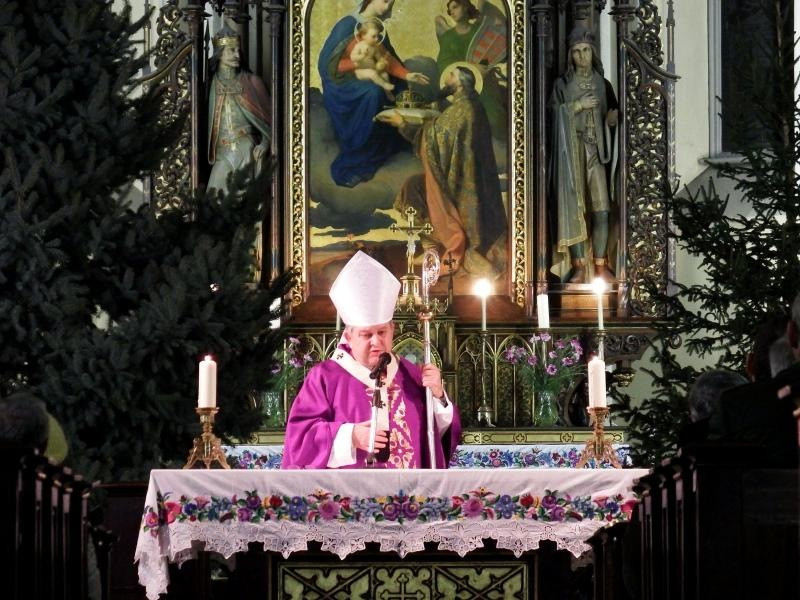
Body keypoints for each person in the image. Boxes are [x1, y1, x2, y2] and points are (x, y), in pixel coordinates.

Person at [282, 251, 460, 469]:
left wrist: (439, 396)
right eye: (366, 334)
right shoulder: (325, 377)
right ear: (349, 336)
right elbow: (299, 439)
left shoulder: (411, 374)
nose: (376, 342)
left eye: (382, 332)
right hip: (351, 489)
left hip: (410, 489)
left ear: (393, 330)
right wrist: (349, 435)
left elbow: (438, 440)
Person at [381, 65, 506, 280]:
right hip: (455, 175)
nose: (446, 78)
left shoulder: (466, 108)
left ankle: (448, 250)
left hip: (462, 183)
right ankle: (431, 249)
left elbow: (436, 136)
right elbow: (440, 132)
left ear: (460, 83)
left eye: (451, 76)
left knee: (414, 189)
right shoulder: (463, 106)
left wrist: (403, 124)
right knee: (413, 187)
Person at [318, 0, 430, 187]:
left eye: (391, 4)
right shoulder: (346, 25)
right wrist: (358, 64)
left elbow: (388, 60)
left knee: (393, 89)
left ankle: (383, 147)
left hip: (369, 78)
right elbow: (326, 66)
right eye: (385, 1)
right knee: (373, 92)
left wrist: (408, 75)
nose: (387, 8)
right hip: (343, 84)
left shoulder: (377, 31)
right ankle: (359, 155)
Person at [549, 26, 618, 283]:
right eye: (576, 51)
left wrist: (611, 122)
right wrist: (578, 105)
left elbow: (613, 114)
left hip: (597, 151)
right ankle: (578, 266)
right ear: (570, 55)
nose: (581, 56)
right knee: (574, 208)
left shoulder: (603, 84)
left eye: (586, 50)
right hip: (571, 150)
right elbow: (552, 116)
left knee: (602, 209)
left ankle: (600, 265)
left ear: (593, 52)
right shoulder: (562, 85)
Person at [207, 26, 271, 196]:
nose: (237, 55)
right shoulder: (208, 82)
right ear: (219, 53)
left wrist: (265, 142)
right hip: (221, 152)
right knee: (212, 199)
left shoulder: (252, 82)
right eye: (231, 50)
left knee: (241, 202)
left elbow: (270, 122)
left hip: (245, 148)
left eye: (238, 50)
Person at [435, 0, 508, 141]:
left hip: (486, 84)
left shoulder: (480, 30)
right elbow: (443, 63)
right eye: (450, 10)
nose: (452, 12)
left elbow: (496, 50)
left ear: (465, 6)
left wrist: (485, 66)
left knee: (495, 120)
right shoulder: (448, 37)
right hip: (462, 87)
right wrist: (471, 68)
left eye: (455, 7)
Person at [350, 19, 394, 92]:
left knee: (385, 75)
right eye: (373, 36)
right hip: (360, 71)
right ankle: (385, 85)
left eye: (377, 36)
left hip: (373, 69)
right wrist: (362, 56)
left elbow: (379, 58)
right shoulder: (359, 46)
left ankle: (388, 93)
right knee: (372, 73)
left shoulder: (374, 47)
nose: (376, 39)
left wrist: (383, 61)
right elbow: (352, 57)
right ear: (363, 36)